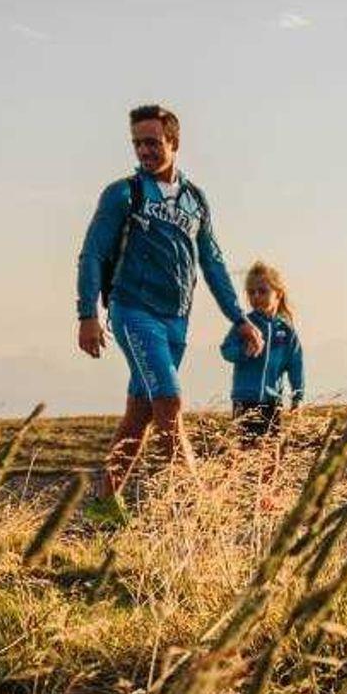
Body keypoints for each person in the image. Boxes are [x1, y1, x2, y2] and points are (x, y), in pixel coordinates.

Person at [75, 104, 261, 517]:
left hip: (176, 320)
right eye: (137, 143)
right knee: (170, 402)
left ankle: (103, 504)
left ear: (173, 143)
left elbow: (212, 263)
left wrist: (239, 318)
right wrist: (87, 313)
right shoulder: (124, 193)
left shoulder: (196, 200)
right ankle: (198, 505)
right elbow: (92, 253)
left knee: (140, 413)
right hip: (133, 311)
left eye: (152, 142)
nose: (144, 150)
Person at [222, 261, 305, 439]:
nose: (256, 296)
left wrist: (297, 397)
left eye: (262, 291)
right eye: (251, 292)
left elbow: (295, 365)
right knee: (244, 447)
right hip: (244, 400)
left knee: (269, 448)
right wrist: (244, 352)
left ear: (278, 294)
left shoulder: (286, 331)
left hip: (272, 402)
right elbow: (226, 350)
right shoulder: (245, 325)